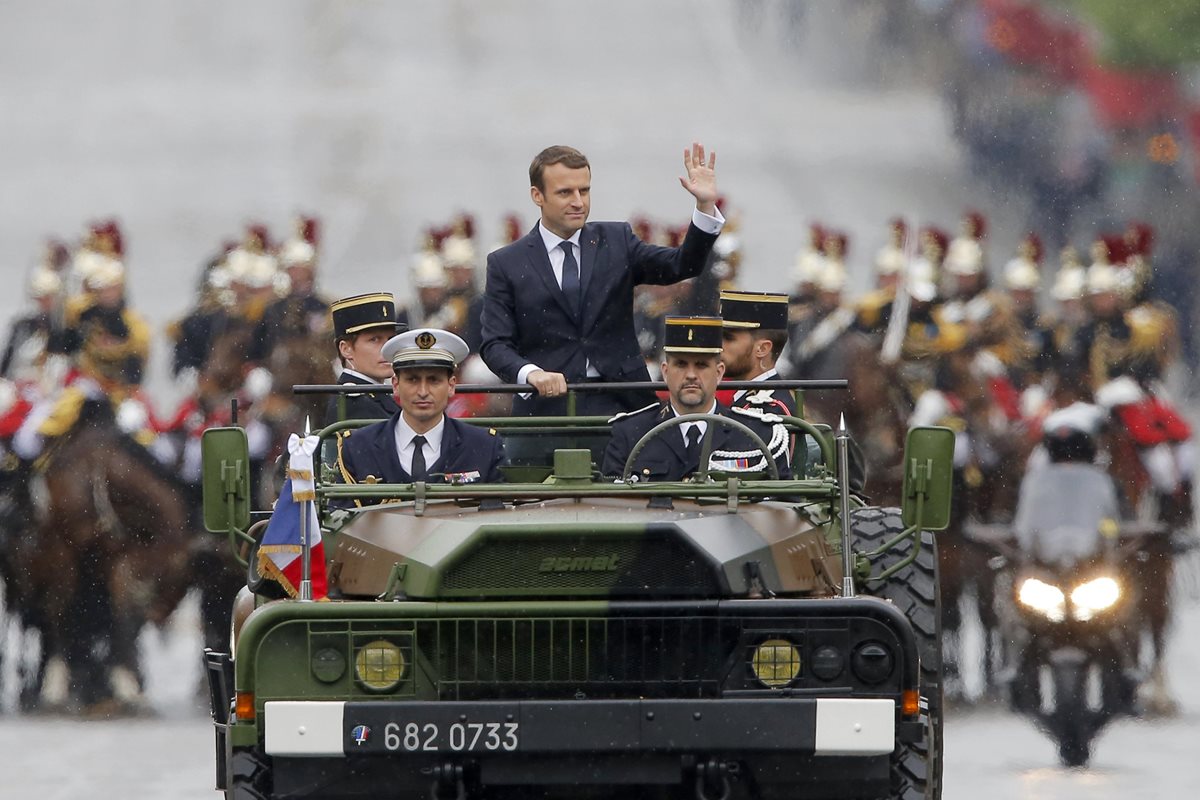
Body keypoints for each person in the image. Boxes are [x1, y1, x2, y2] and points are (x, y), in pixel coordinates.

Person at [481, 143, 725, 416]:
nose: (578, 202)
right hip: (546, 409)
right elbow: (494, 344)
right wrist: (531, 374)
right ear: (537, 195)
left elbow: (683, 264)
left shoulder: (616, 241)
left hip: (624, 403)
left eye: (584, 191)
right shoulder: (506, 263)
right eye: (565, 192)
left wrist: (704, 205)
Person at [601, 317, 789, 481]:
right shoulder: (630, 434)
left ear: (719, 372)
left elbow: (782, 507)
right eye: (681, 364)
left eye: (701, 365)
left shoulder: (757, 435)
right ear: (665, 372)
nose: (691, 375)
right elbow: (612, 507)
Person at [335, 328, 505, 502]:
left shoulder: (484, 446)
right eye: (413, 380)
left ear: (451, 386)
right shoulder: (358, 447)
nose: (423, 392)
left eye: (434, 380)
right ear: (395, 385)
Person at [326, 293, 407, 423]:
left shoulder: (375, 397)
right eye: (374, 339)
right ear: (346, 349)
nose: (386, 349)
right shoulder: (354, 403)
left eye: (391, 339)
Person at [718, 290, 796, 415]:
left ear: (762, 349)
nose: (719, 346)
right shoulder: (744, 397)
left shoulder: (771, 409)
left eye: (728, 338)